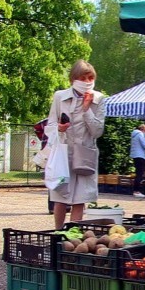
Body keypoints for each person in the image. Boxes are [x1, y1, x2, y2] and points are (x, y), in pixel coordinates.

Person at [45, 60, 106, 229]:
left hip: (85, 153)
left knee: (80, 199)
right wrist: (59, 128)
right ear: (73, 79)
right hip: (63, 153)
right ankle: (58, 233)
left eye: (90, 77)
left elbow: (97, 131)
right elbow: (49, 126)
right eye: (83, 78)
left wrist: (86, 110)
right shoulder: (60, 96)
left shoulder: (99, 99)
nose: (87, 82)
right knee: (60, 197)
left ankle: (73, 235)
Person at [130, 124, 145, 198]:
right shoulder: (140, 134)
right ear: (143, 129)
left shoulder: (134, 135)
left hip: (135, 156)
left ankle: (136, 191)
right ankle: (137, 191)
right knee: (140, 174)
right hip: (140, 156)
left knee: (138, 173)